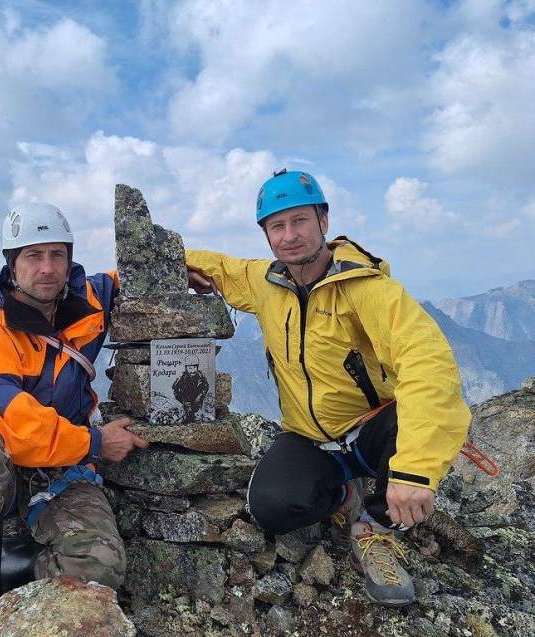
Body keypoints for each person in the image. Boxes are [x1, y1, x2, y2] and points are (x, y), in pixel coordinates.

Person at [185, 169, 471, 607]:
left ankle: (373, 529)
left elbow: (427, 364)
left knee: (420, 436)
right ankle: (343, 493)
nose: (289, 236)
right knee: (272, 509)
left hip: (376, 427)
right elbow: (218, 266)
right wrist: (128, 272)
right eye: (276, 226)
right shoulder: (266, 285)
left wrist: (414, 471)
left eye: (299, 220)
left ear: (323, 220)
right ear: (266, 235)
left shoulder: (369, 289)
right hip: (312, 437)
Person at [0, 202, 148, 636]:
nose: (47, 268)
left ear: (69, 259)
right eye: (33, 255)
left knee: (96, 567)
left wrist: (188, 268)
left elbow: (137, 274)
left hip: (62, 467)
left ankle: (19, 595)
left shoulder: (88, 300)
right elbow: (18, 425)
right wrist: (96, 443)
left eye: (57, 254)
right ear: (11, 263)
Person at [171, 354, 210, 422]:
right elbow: (174, 388)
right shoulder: (182, 377)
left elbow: (205, 387)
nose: (192, 371)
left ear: (197, 367)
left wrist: (198, 398)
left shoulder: (201, 377)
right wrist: (182, 400)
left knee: (198, 418)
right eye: (190, 368)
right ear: (186, 368)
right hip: (186, 401)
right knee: (186, 418)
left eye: (194, 367)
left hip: (197, 402)